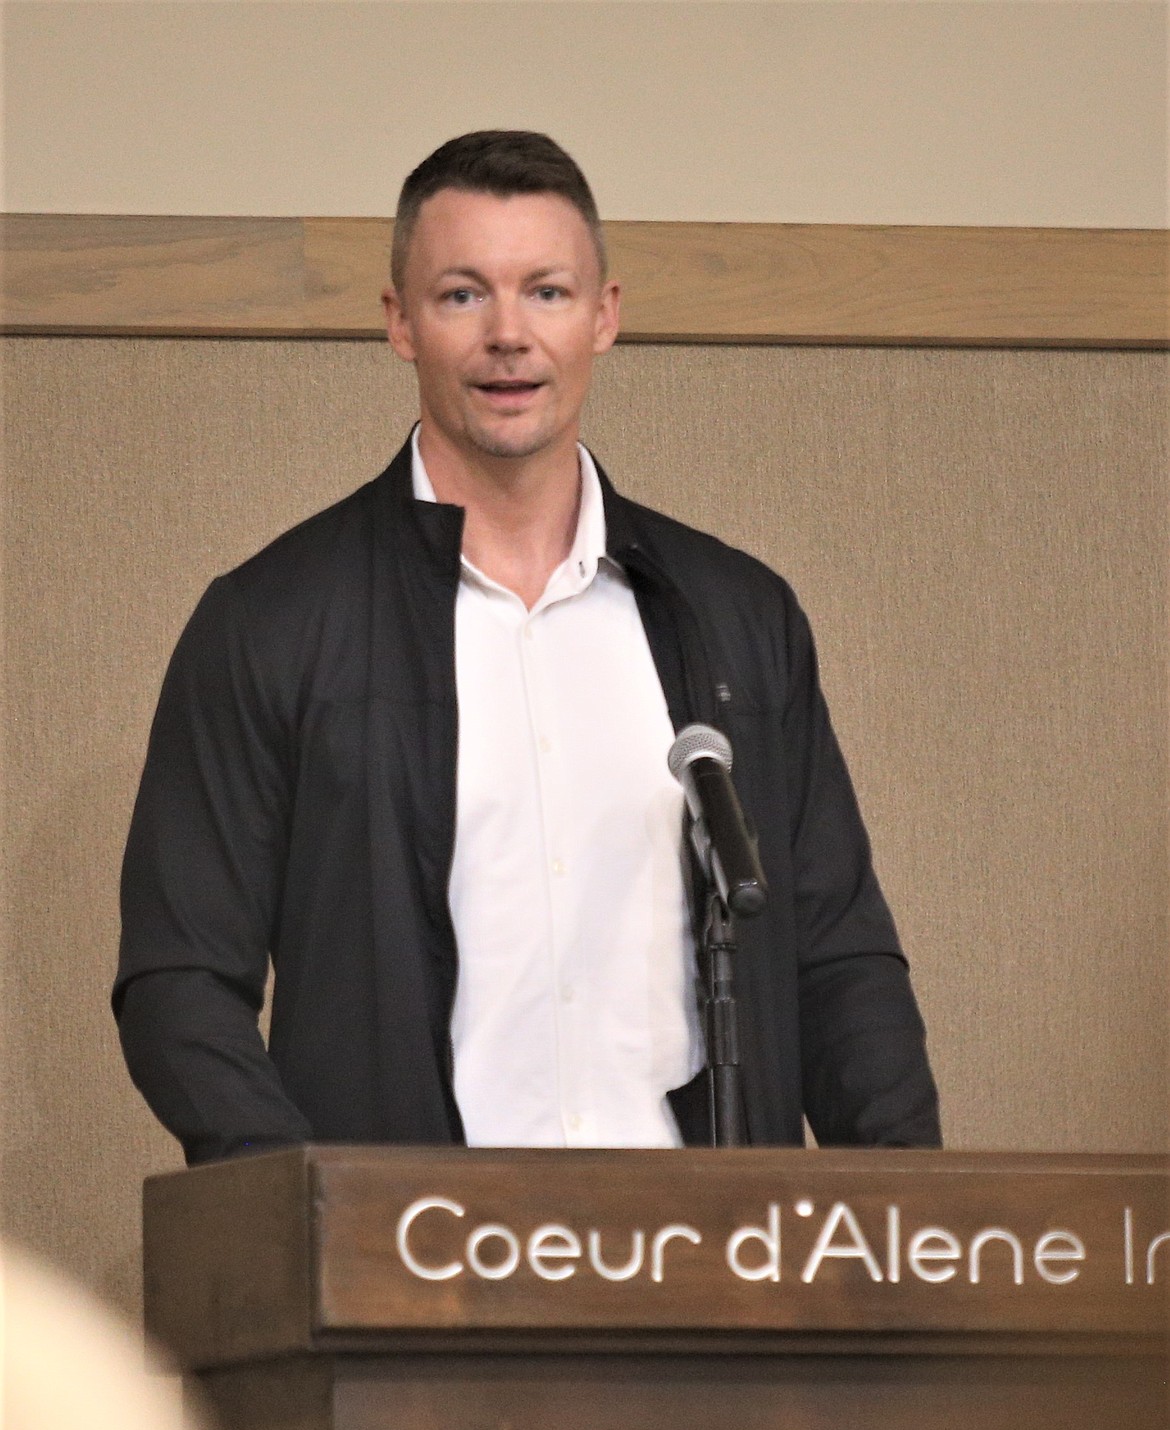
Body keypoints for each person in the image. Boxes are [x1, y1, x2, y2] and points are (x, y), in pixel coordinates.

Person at [113, 130, 940, 1164]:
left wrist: (917, 1231)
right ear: (399, 322)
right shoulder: (271, 622)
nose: (510, 334)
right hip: (411, 1276)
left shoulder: (735, 616)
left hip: (705, 1270)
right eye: (463, 295)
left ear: (605, 317)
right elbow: (180, 982)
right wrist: (314, 1217)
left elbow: (838, 958)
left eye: (546, 292)